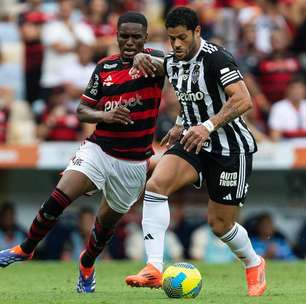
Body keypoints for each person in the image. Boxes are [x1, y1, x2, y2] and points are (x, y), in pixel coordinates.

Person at [0, 11, 165, 294]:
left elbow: (175, 65)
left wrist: (151, 58)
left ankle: (87, 263)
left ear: (145, 38)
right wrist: (105, 116)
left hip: (134, 162)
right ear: (116, 36)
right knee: (60, 195)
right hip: (99, 149)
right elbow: (81, 110)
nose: (129, 42)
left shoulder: (155, 63)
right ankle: (26, 248)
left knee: (105, 227)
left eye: (135, 37)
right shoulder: (104, 67)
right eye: (124, 36)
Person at [125, 7, 266, 297]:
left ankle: (254, 263)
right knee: (155, 186)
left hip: (229, 147)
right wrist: (142, 57)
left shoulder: (217, 58)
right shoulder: (173, 59)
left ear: (197, 32)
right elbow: (169, 70)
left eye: (181, 38)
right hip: (193, 140)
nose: (176, 44)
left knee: (220, 225)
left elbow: (243, 100)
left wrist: (208, 125)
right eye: (171, 38)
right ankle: (153, 267)